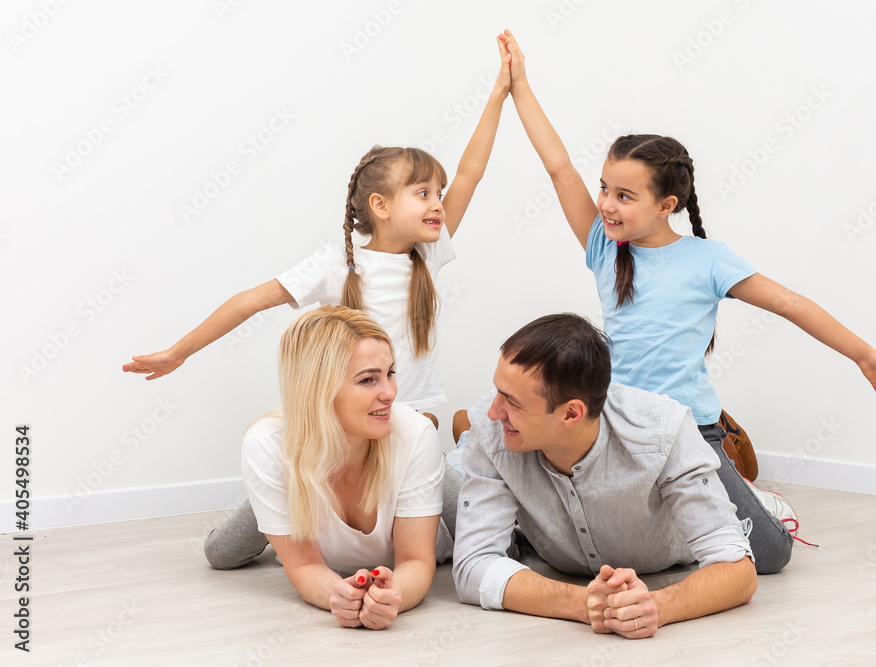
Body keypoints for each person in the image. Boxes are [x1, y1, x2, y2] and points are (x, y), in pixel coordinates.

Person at [495, 31, 876, 568]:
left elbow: (790, 303)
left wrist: (863, 354)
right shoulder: (604, 246)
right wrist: (520, 87)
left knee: (767, 556)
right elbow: (558, 168)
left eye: (624, 195)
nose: (606, 204)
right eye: (604, 188)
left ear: (667, 204)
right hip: (615, 423)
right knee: (577, 543)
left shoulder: (708, 260)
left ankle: (758, 503)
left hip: (689, 427)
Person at [125, 38, 510, 567]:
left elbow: (471, 173)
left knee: (476, 533)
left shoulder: (430, 255)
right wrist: (178, 352)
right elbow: (250, 301)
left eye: (438, 194)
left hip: (401, 441)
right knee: (223, 554)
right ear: (379, 206)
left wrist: (498, 94)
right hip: (331, 446)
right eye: (422, 193)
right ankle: (284, 506)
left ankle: (463, 450)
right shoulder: (337, 267)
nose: (438, 203)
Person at [452, 313, 758, 638]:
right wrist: (584, 603)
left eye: (512, 402)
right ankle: (460, 450)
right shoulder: (489, 431)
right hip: (560, 555)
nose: (493, 411)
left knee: (771, 551)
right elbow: (472, 565)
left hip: (672, 552)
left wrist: (656, 606)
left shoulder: (664, 429)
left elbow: (739, 571)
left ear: (571, 413)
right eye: (498, 391)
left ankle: (751, 486)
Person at [238, 306, 449, 629]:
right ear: (319, 389)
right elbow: (305, 565)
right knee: (220, 554)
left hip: (416, 459)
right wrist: (338, 594)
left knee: (487, 526)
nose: (390, 393)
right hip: (302, 462)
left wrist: (394, 597)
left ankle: (460, 445)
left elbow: (416, 560)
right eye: (368, 380)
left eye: (390, 373)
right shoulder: (265, 445)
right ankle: (265, 500)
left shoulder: (416, 434)